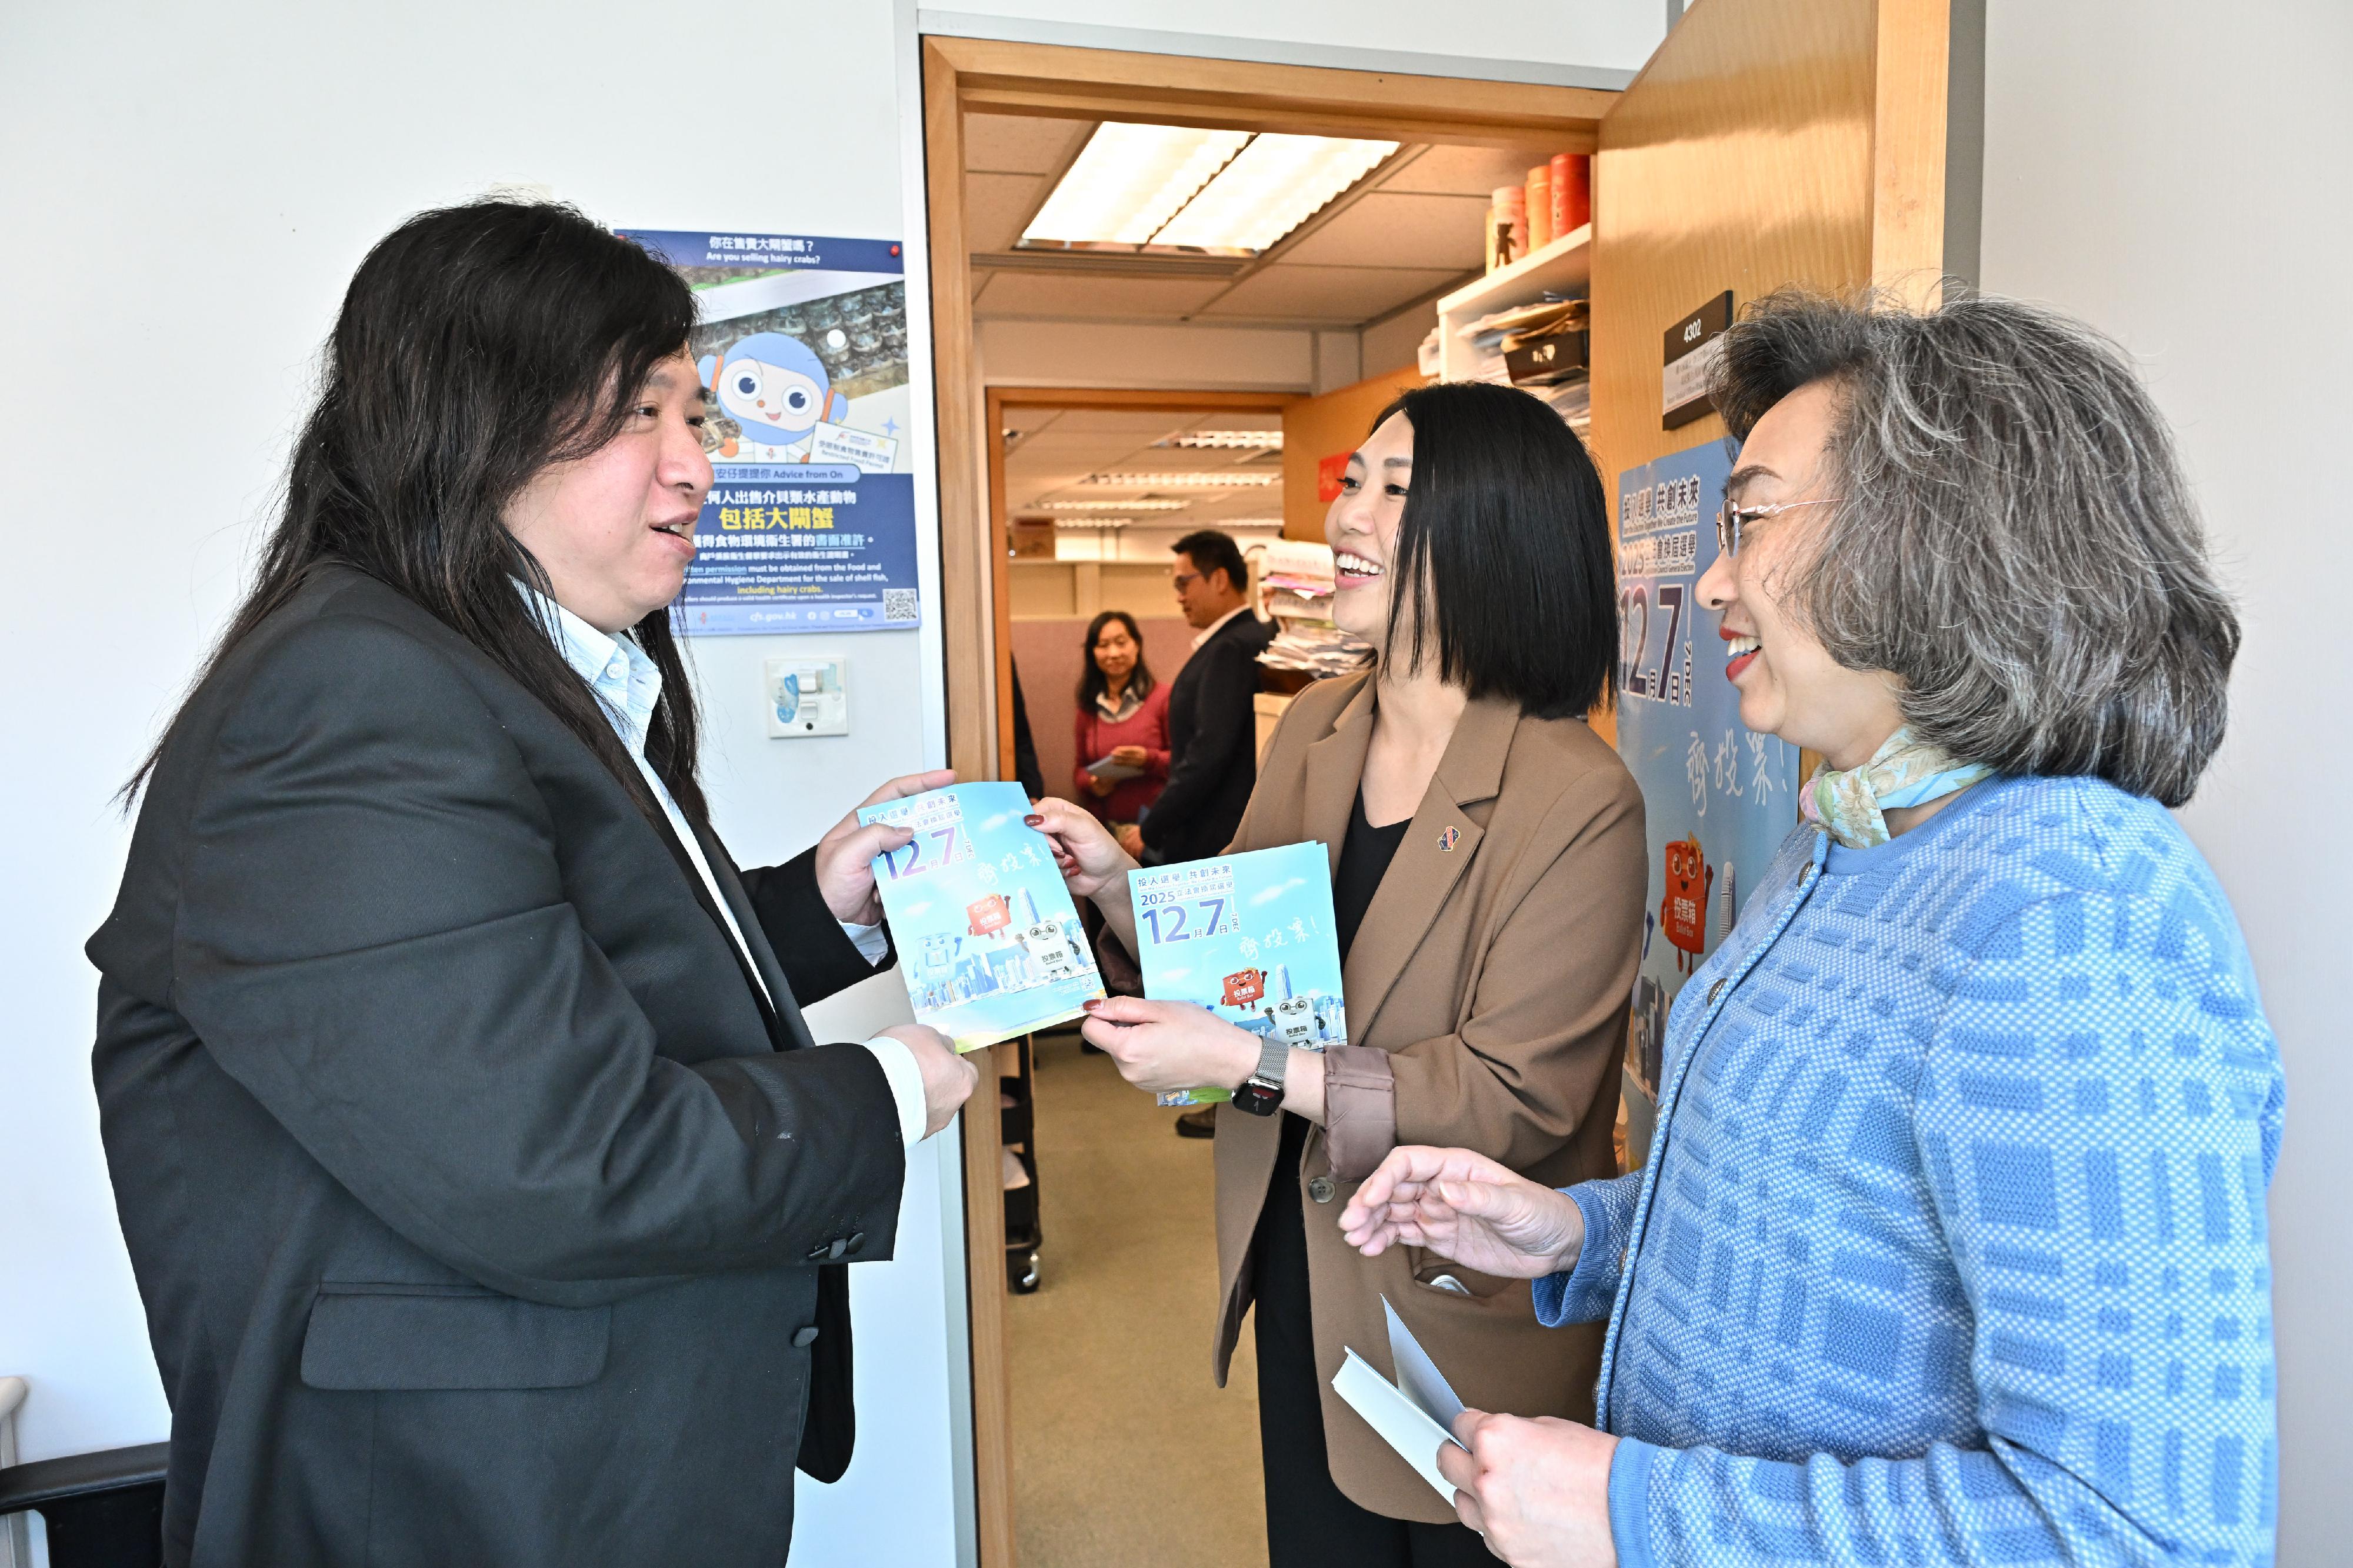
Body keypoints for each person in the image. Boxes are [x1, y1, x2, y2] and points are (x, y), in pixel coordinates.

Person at [86, 201, 980, 1568]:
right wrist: (890, 1084)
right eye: (641, 415)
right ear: (475, 422)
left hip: (574, 1460)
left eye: (698, 416)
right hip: (459, 1493)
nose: (695, 469)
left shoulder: (508, 666)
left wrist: (818, 903)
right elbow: (564, 1152)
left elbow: (540, 973)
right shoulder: (354, 694)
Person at [1338, 289, 2282, 1568]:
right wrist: (1577, 1233)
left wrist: (1635, 1515)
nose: (1711, 580)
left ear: (1932, 534)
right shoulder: (1847, 836)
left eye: (1748, 522)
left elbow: (2134, 1532)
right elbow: (1825, 1237)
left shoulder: (2071, 920)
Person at [1027, 382, 1644, 1567]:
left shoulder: (1574, 795)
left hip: (1453, 1308)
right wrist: (1114, 884)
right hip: (1299, 1256)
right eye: (1349, 483)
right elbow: (1237, 969)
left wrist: (1252, 1064)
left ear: (1491, 530)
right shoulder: (1315, 724)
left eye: (1393, 489)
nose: (1348, 517)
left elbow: (1515, 1099)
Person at [1121, 528, 1273, 869]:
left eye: (1183, 584)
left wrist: (1154, 825)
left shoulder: (1230, 649)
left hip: (1212, 837)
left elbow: (1209, 753)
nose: (1179, 597)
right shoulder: (1254, 636)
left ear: (1219, 579)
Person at [1071, 608, 1170, 827]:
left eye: (1121, 642)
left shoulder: (1163, 698)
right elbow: (1079, 770)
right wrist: (1092, 783)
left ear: (1137, 645)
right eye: (1103, 645)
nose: (1113, 653)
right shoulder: (1088, 707)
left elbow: (1184, 763)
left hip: (1154, 828)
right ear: (1092, 652)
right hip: (1104, 829)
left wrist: (1148, 759)